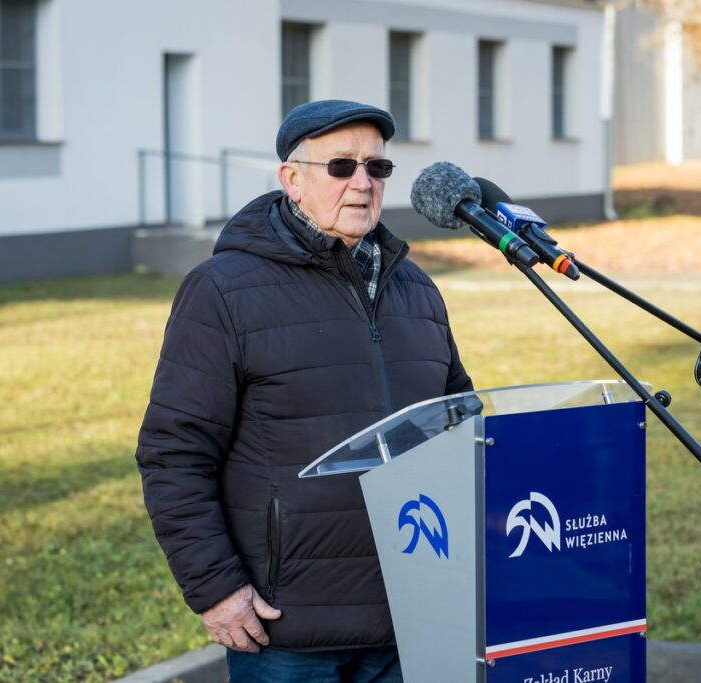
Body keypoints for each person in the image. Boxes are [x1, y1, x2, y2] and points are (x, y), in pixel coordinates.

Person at [135, 99, 472, 682]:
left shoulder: (416, 291)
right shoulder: (222, 291)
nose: (363, 183)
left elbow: (459, 425)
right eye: (341, 166)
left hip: (411, 615)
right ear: (291, 179)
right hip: (287, 627)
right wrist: (216, 588)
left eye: (377, 168)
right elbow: (174, 452)